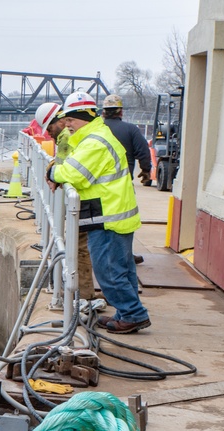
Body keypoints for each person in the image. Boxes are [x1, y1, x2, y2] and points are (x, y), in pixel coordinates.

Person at [48, 91, 151, 334]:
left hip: (107, 218)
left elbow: (72, 174)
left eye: (71, 119)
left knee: (109, 272)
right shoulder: (97, 136)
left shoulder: (94, 142)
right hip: (116, 215)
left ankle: (134, 314)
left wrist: (52, 173)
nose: (67, 124)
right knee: (122, 268)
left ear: (83, 117)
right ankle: (126, 312)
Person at [34, 101, 95, 300]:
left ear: (59, 121)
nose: (48, 134)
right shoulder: (65, 138)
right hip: (85, 200)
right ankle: (82, 294)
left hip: (87, 200)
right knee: (78, 246)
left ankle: (84, 297)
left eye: (49, 128)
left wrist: (54, 174)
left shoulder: (67, 137)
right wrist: (52, 168)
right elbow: (63, 162)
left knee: (79, 248)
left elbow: (69, 167)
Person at [101, 94, 153, 187]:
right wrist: (145, 170)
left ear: (103, 112)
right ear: (121, 112)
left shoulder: (95, 129)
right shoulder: (131, 130)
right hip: (123, 185)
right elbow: (143, 151)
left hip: (98, 185)